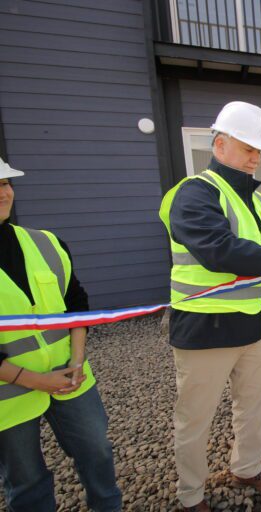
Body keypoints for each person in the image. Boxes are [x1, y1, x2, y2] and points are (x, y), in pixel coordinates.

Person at [158, 101, 261, 511]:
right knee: (194, 418)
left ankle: (248, 467)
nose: (256, 158)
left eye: (258, 150)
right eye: (248, 148)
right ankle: (190, 495)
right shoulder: (194, 194)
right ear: (219, 145)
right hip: (204, 329)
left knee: (252, 406)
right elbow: (218, 250)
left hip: (252, 326)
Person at [0, 158, 121, 511]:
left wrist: (77, 360)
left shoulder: (46, 243)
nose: (3, 193)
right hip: (8, 394)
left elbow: (76, 304)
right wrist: (37, 380)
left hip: (71, 375)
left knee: (97, 450)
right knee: (26, 480)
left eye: (4, 184)